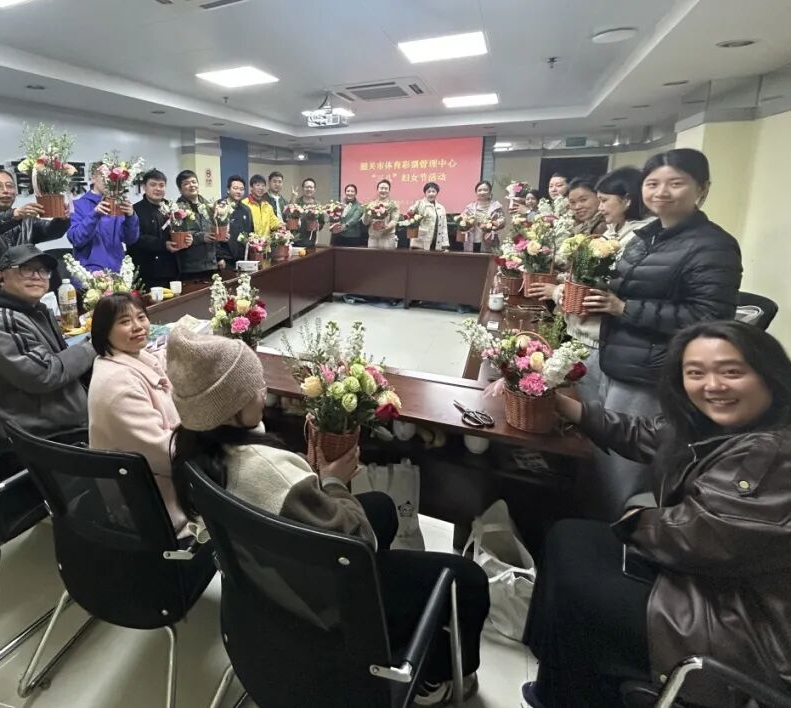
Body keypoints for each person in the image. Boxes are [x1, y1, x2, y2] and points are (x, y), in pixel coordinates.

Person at [521, 321, 791, 708]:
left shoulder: (787, 452)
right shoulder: (743, 421)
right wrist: (572, 409)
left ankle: (566, 692)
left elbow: (700, 537)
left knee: (581, 583)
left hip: (764, 634)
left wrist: (634, 518)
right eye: (695, 373)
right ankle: (558, 684)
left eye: (731, 371)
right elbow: (650, 435)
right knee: (569, 538)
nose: (713, 385)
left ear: (769, 373)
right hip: (728, 585)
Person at [166, 327, 490, 706]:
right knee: (468, 578)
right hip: (325, 606)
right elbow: (358, 540)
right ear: (230, 409)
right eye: (255, 387)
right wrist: (333, 481)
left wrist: (314, 481)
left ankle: (392, 610)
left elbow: (280, 500)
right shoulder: (273, 472)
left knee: (381, 508)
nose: (263, 391)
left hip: (263, 589)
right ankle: (430, 678)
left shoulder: (192, 453)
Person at [580, 148, 742, 518]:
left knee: (625, 467)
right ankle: (593, 525)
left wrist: (624, 309)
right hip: (620, 357)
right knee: (601, 454)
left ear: (702, 188)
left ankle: (623, 535)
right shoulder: (648, 236)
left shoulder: (713, 245)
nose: (661, 192)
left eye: (675, 183)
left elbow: (709, 317)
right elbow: (627, 287)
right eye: (652, 184)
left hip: (652, 372)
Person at [526, 167, 653, 404]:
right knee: (583, 400)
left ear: (627, 200)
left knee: (592, 406)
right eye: (572, 202)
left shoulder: (637, 238)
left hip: (601, 335)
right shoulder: (612, 231)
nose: (601, 208)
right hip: (586, 332)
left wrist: (557, 291)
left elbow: (598, 287)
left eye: (602, 200)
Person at [0, 244, 96, 449]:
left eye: (43, 270)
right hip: (33, 443)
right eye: (26, 269)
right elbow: (45, 374)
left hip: (60, 429)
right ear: (1, 278)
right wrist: (94, 345)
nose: (37, 276)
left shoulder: (34, 312)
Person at [86, 293, 187, 536]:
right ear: (104, 332)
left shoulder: (131, 357)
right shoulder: (119, 386)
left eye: (141, 317)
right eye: (124, 322)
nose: (138, 326)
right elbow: (165, 454)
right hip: (154, 503)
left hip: (161, 478)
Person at [0, 166, 70, 324]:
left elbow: (51, 231)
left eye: (10, 186)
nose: (6, 191)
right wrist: (13, 215)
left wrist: (62, 219)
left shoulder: (26, 220)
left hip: (22, 296)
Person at [66, 160, 140, 272]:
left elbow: (130, 239)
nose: (109, 181)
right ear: (93, 178)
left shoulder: (118, 205)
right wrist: (94, 214)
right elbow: (76, 239)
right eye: (105, 177)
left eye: (112, 177)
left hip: (117, 271)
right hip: (89, 273)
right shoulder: (77, 205)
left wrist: (131, 216)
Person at [131, 168, 183, 289]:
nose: (158, 188)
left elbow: (179, 230)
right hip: (147, 272)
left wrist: (185, 239)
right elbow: (135, 238)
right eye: (153, 185)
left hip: (172, 270)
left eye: (161, 185)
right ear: (144, 187)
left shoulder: (173, 208)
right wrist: (163, 245)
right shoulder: (135, 210)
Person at [173, 170, 218, 282]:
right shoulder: (177, 210)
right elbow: (179, 236)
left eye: (194, 182)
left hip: (211, 264)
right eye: (186, 183)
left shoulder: (208, 206)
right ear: (180, 189)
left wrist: (221, 234)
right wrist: (202, 237)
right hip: (191, 267)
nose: (192, 185)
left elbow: (214, 227)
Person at [217, 175, 254, 268]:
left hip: (243, 259)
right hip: (225, 260)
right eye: (235, 188)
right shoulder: (219, 207)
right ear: (228, 190)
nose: (239, 191)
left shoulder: (246, 210)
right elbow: (213, 235)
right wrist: (219, 257)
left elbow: (251, 233)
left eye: (242, 189)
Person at [461, 180, 506, 254]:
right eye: (479, 190)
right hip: (471, 241)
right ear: (476, 192)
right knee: (470, 260)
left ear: (490, 192)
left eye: (485, 190)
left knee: (487, 260)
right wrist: (465, 223)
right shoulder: (470, 207)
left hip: (489, 240)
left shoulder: (496, 206)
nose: (482, 192)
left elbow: (502, 222)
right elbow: (462, 221)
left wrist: (491, 224)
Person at [409, 182, 449, 251]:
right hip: (420, 243)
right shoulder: (419, 203)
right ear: (425, 193)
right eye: (429, 191)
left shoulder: (441, 208)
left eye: (433, 191)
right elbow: (410, 211)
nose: (431, 193)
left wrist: (444, 244)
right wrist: (412, 211)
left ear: (437, 193)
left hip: (436, 243)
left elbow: (444, 227)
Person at [362, 179, 400, 250]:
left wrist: (386, 227)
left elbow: (395, 220)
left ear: (389, 190)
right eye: (381, 188)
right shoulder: (371, 204)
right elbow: (365, 222)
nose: (383, 190)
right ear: (377, 190)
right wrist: (366, 212)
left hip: (388, 238)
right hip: (373, 238)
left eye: (386, 188)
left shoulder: (394, 205)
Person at [290, 177, 325, 248]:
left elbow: (321, 222)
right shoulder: (296, 202)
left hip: (311, 242)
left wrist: (316, 226)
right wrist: (293, 199)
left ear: (314, 189)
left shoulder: (318, 205)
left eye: (311, 187)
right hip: (296, 242)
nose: (309, 189)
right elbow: (288, 216)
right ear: (303, 188)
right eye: (307, 187)